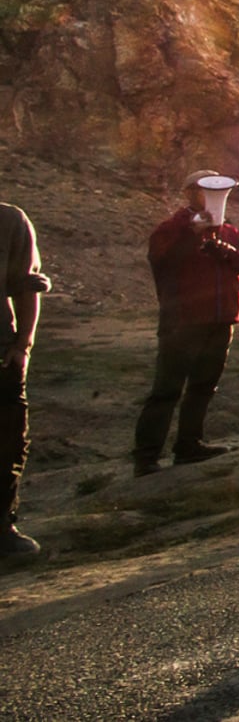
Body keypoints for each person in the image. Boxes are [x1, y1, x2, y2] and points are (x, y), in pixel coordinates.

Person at [136, 171, 239, 474]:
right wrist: (191, 235)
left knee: (203, 386)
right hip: (183, 321)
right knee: (166, 390)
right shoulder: (171, 229)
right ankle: (146, 457)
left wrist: (225, 251)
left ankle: (188, 445)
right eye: (203, 190)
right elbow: (160, 260)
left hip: (221, 320)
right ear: (189, 194)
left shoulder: (228, 232)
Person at [4, 201, 46, 558]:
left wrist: (23, 345)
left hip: (1, 351)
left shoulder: (8, 221)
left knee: (7, 441)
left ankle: (3, 526)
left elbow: (27, 285)